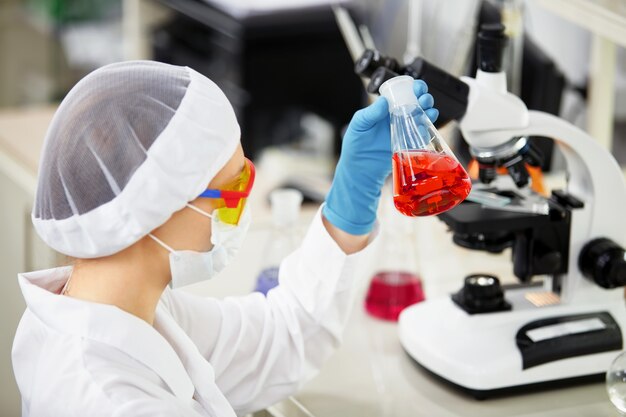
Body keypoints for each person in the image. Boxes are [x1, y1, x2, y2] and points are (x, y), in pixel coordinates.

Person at [12, 61, 437, 416]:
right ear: (155, 209)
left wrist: (353, 195)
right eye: (235, 190)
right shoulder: (112, 401)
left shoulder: (126, 309)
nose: (243, 208)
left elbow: (281, 338)